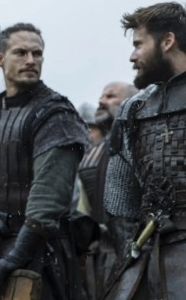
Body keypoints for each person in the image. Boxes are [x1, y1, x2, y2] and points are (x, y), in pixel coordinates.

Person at [0, 23, 88, 300]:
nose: (31, 60)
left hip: (41, 255)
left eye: (37, 53)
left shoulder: (56, 116)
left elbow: (47, 201)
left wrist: (14, 259)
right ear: (0, 59)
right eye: (21, 53)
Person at [104, 2, 186, 299]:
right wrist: (130, 250)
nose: (132, 56)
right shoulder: (134, 109)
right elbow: (119, 203)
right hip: (146, 261)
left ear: (167, 41)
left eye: (139, 45)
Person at [74, 82, 136, 298]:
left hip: (143, 251)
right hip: (100, 256)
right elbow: (83, 210)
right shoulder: (89, 156)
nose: (101, 101)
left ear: (131, 101)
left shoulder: (143, 143)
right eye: (101, 96)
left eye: (111, 96)